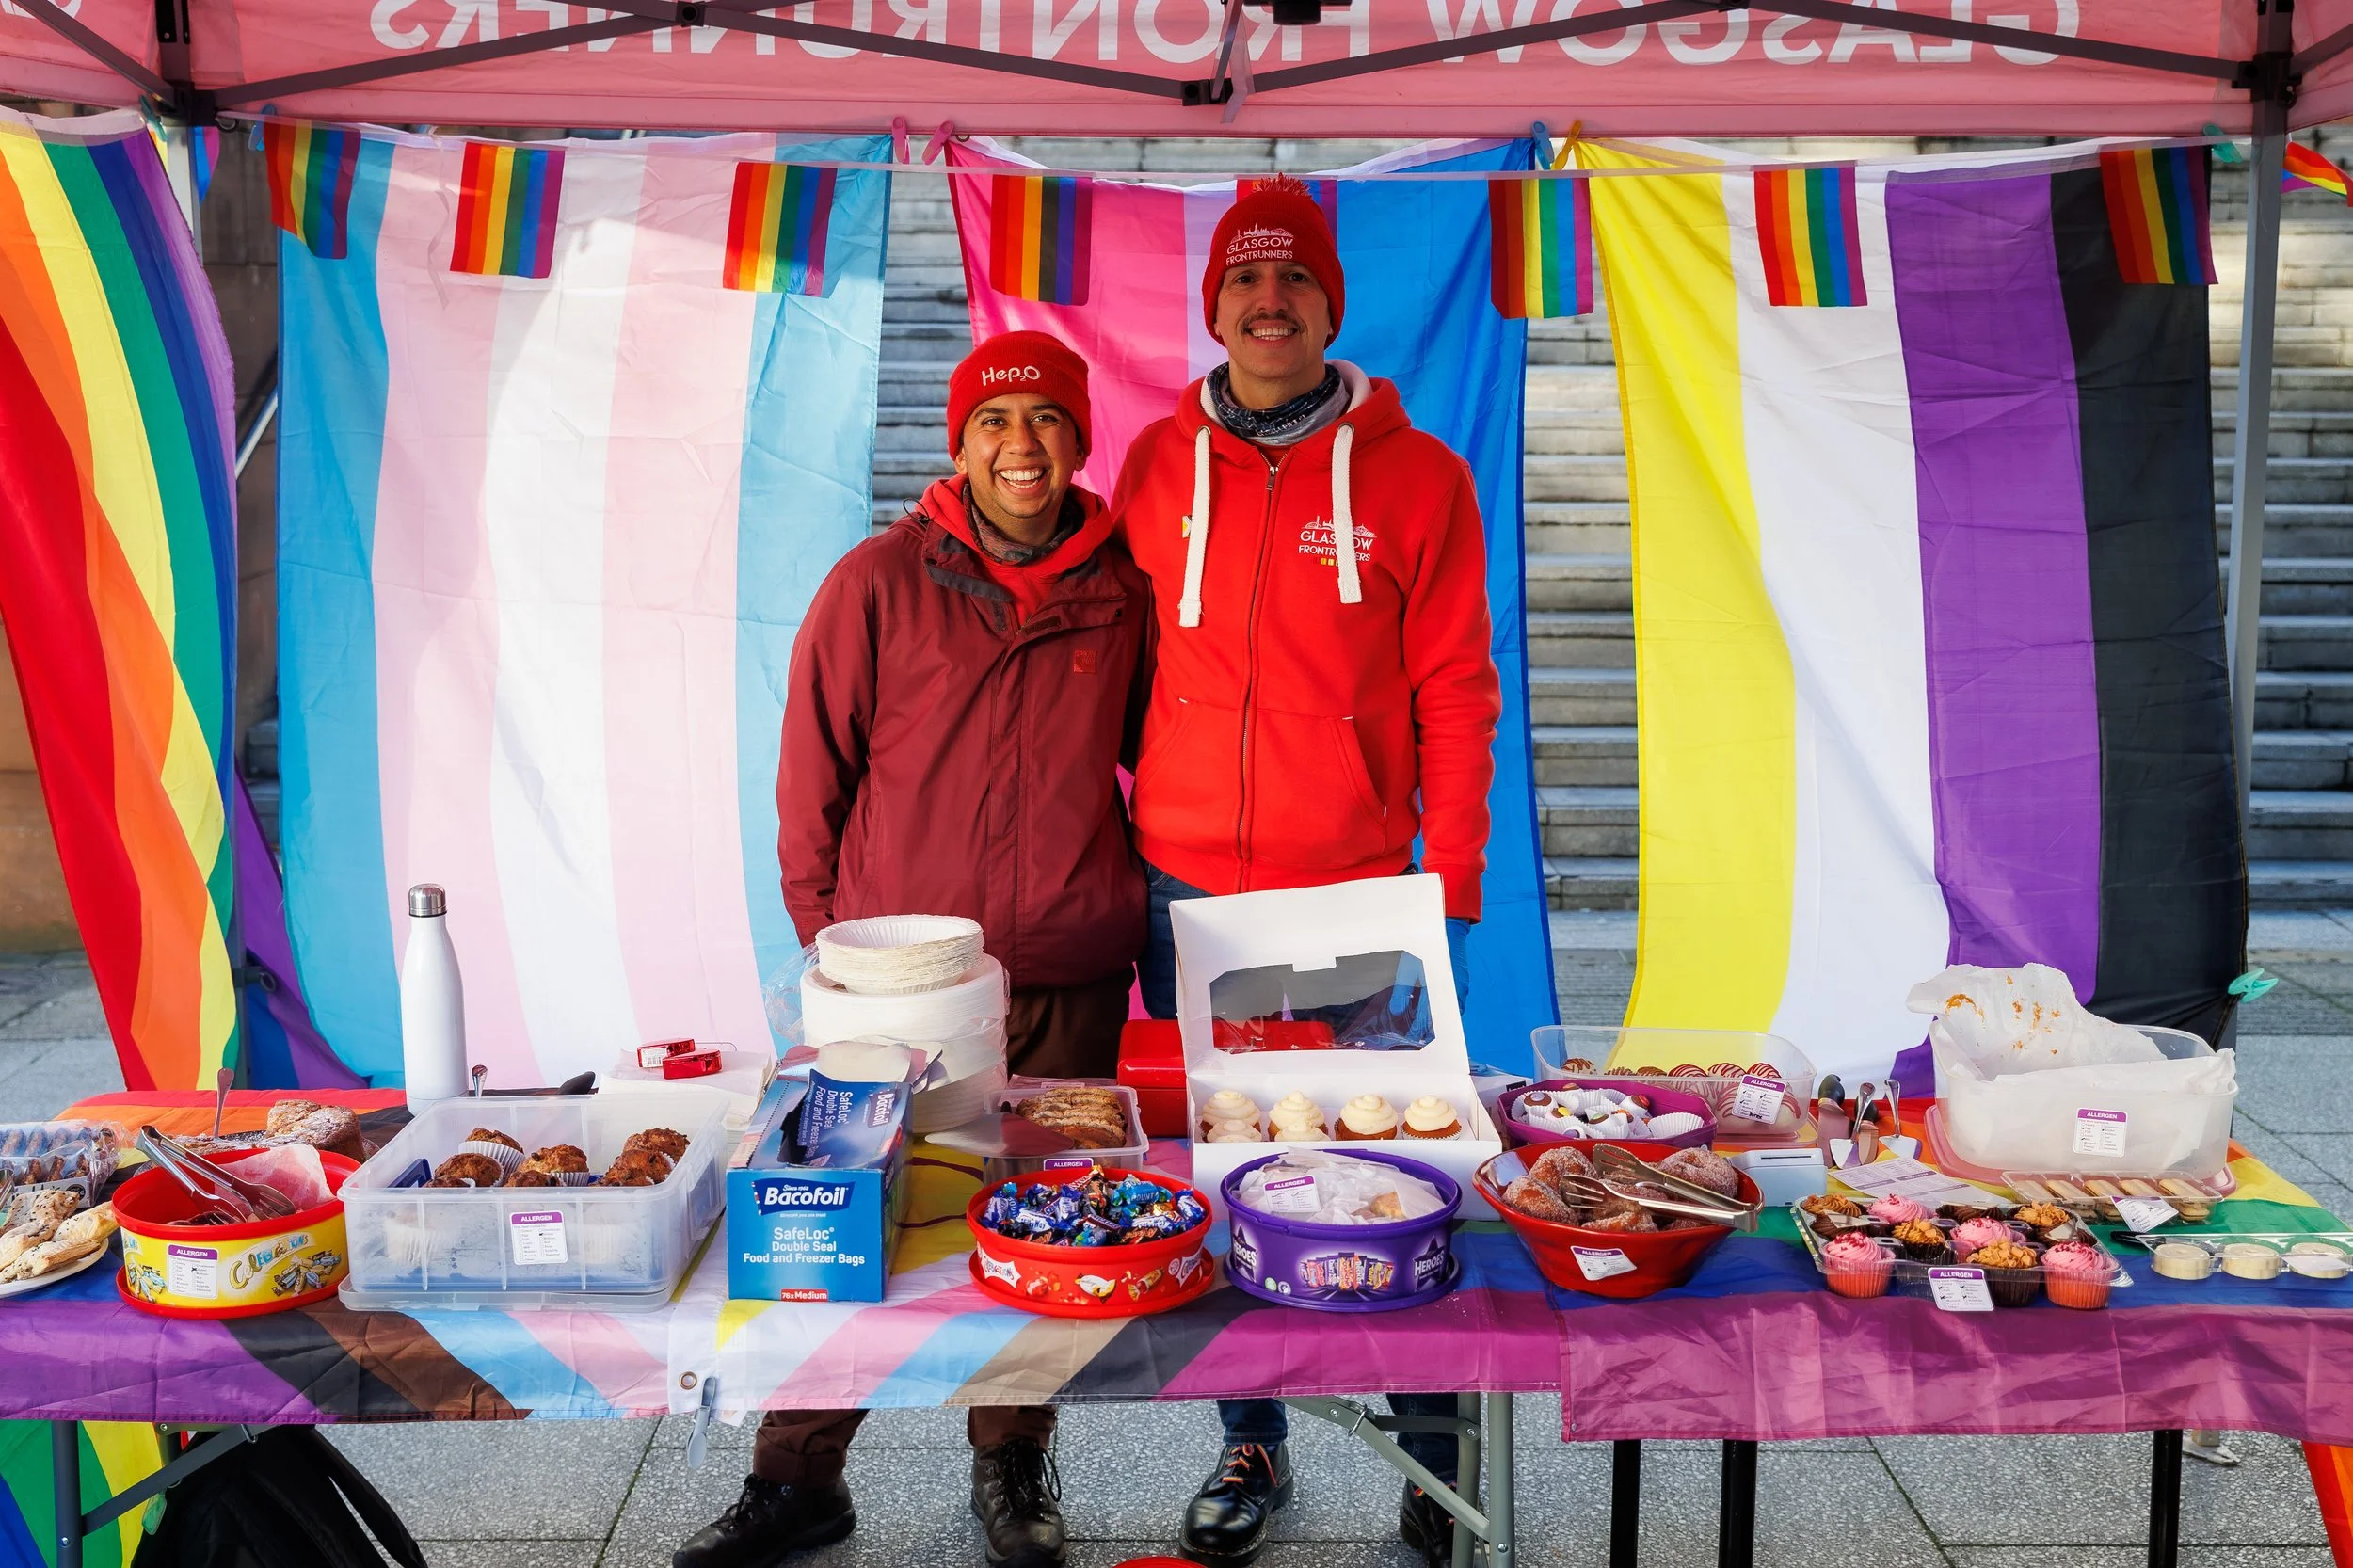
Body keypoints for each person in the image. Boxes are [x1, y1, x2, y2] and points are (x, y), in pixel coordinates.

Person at [675, 330, 1152, 1568]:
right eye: (995, 423)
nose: (1021, 446)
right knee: (840, 1225)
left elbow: (1164, 754)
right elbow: (809, 780)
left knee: (1039, 1228)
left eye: (1046, 419)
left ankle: (1013, 1467)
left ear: (1078, 437)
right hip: (896, 989)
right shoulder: (878, 581)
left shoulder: (1124, 586)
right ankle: (797, 1479)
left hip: (1063, 974)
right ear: (959, 443)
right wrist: (831, 954)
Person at [1109, 176, 1502, 1568]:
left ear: (1332, 305)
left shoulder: (1421, 476)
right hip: (1187, 890)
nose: (1267, 307)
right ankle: (1249, 1437)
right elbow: (1116, 663)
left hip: (1354, 888)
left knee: (1390, 1158)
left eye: (1293, 286)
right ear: (1213, 306)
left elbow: (1457, 685)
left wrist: (1448, 871)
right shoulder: (1154, 469)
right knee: (1232, 1169)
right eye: (1242, 285)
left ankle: (1437, 1454)